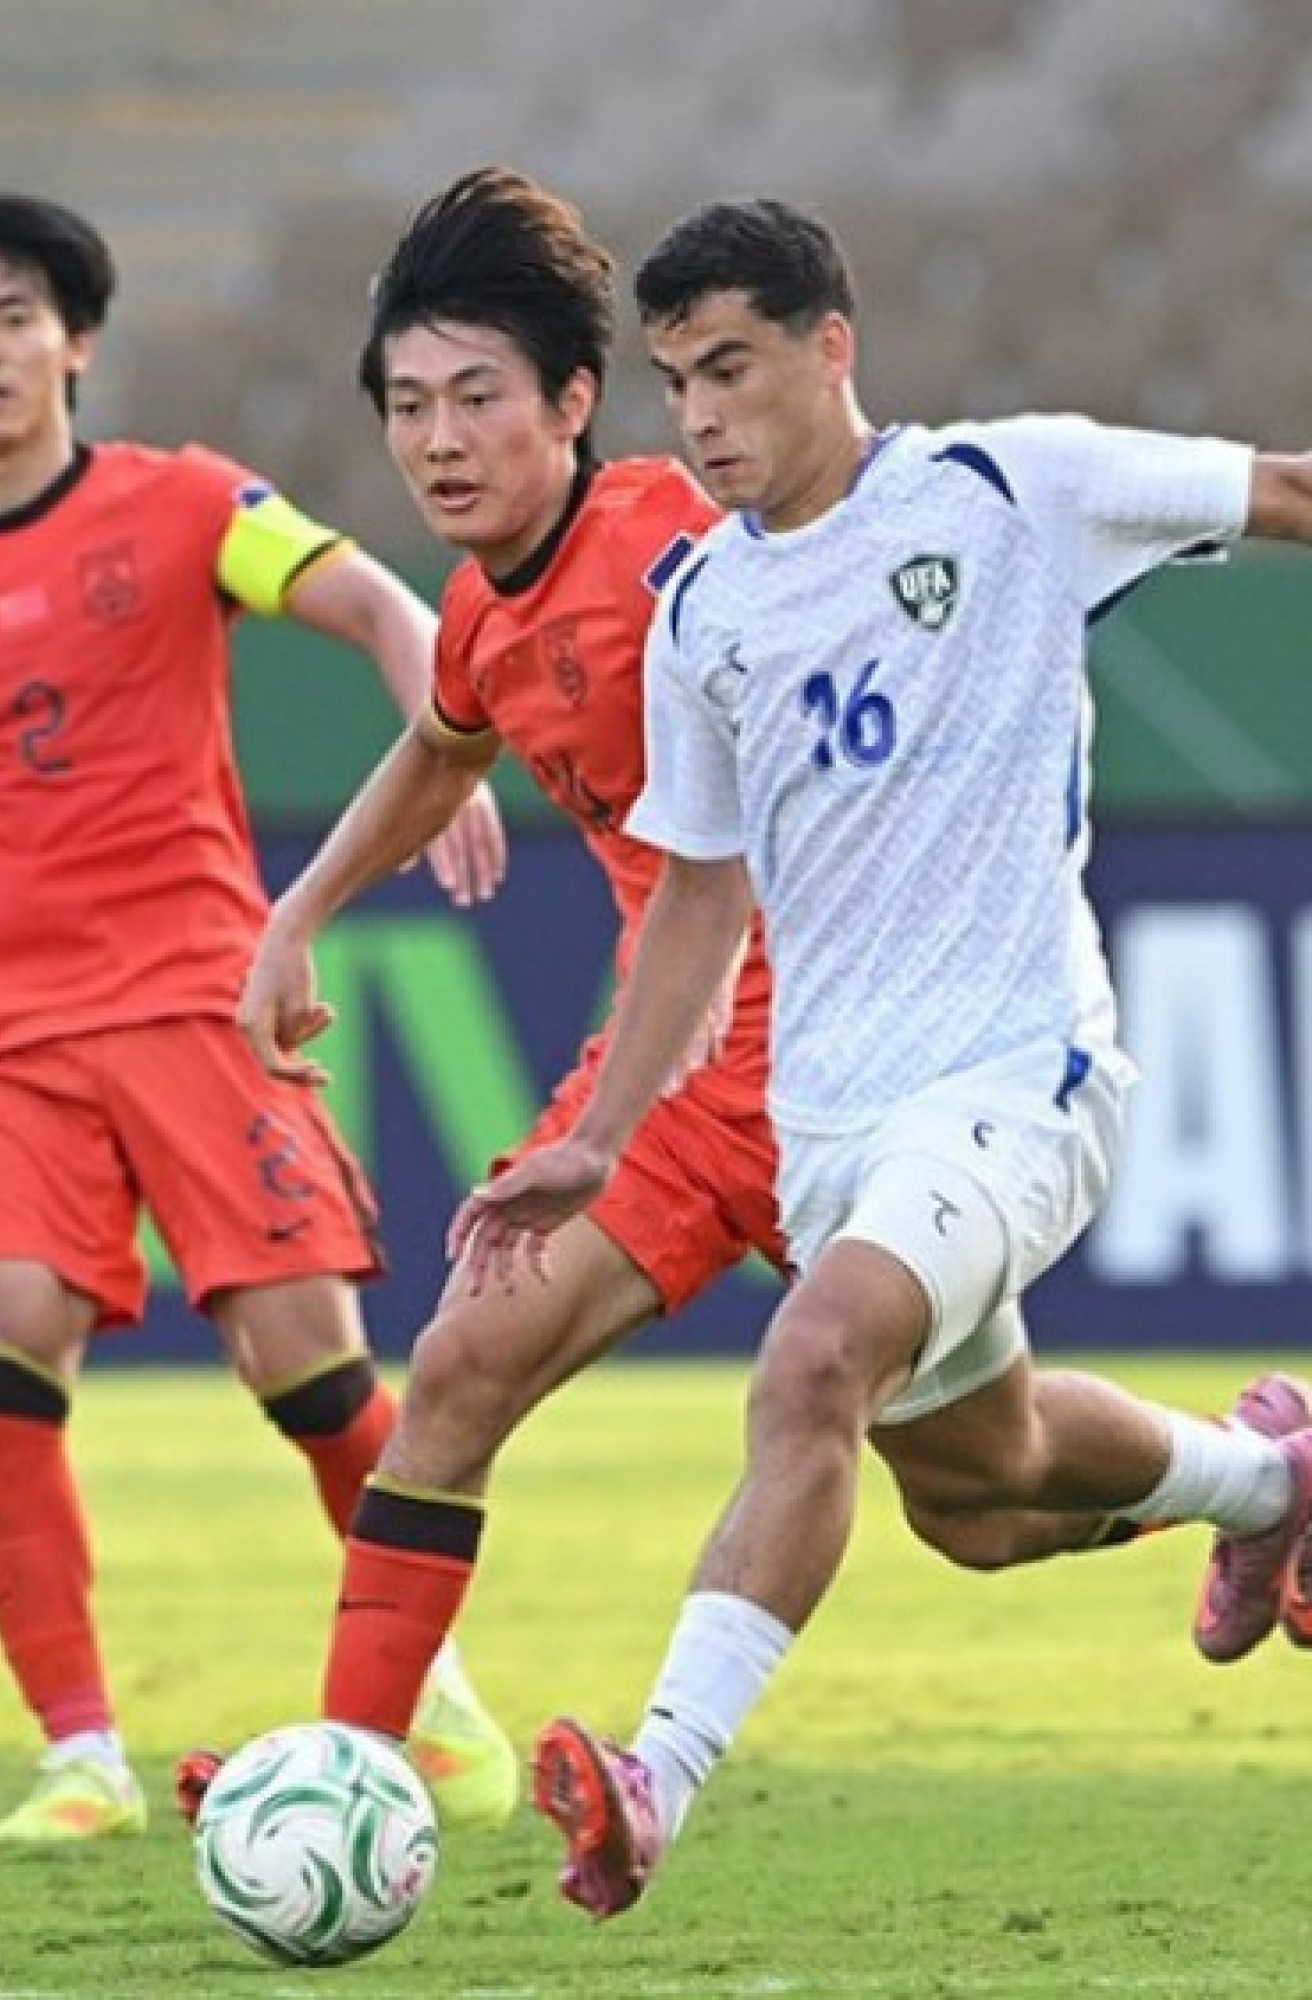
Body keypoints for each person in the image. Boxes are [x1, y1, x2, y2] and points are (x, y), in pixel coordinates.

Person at [455, 195, 1312, 1920]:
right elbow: (698, 905)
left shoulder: (1010, 487)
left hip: (1019, 1077)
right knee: (980, 1502)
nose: (698, 419)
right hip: (833, 1121)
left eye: (734, 370)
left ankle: (652, 1781)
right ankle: (1269, 1480)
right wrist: (607, 1138)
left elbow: (1285, 489)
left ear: (829, 349)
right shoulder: (700, 609)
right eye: (677, 381)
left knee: (810, 1360)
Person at [0, 191, 514, 1845]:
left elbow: (379, 605)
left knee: (302, 1356)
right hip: (6, 1033)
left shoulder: (186, 507)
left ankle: (437, 1692)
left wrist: (444, 738)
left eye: (14, 313)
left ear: (77, 341)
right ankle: (80, 1756)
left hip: (199, 990)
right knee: (3, 1318)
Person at [173, 167, 787, 1828]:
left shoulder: (673, 547)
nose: (437, 440)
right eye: (406, 406)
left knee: (984, 1485)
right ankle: (350, 1777)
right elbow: (446, 742)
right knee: (452, 1375)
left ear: (573, 403)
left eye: (477, 401)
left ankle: (1252, 1476)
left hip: (846, 1052)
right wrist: (296, 911)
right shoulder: (482, 606)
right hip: (680, 1077)